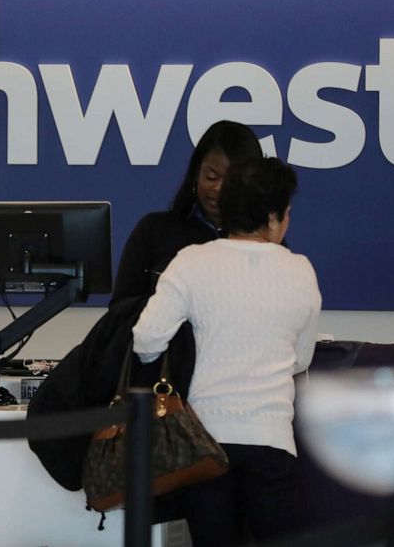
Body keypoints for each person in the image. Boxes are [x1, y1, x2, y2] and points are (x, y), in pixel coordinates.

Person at [131, 157, 321, 546]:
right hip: (271, 440)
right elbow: (302, 359)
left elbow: (146, 341)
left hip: (205, 444)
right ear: (272, 216)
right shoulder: (300, 269)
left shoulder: (192, 262)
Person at [111, 120, 264, 306]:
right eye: (211, 177)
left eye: (231, 181)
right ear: (196, 173)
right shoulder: (153, 230)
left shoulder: (264, 239)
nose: (218, 189)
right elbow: (120, 309)